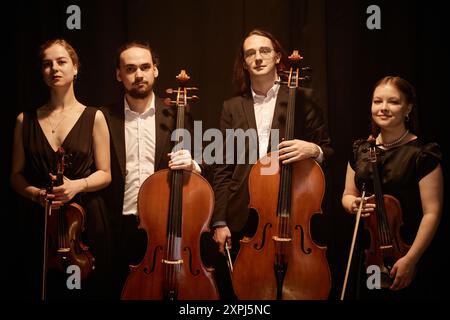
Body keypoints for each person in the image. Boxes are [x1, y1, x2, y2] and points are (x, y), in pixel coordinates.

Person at [211, 29, 333, 299]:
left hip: (293, 207)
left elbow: (328, 150)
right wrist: (219, 220)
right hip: (244, 212)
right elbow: (222, 167)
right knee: (248, 293)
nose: (257, 57)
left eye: (264, 50)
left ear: (278, 56)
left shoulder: (304, 97)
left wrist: (312, 149)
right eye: (250, 53)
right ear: (244, 62)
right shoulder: (231, 107)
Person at [10, 39, 113, 299]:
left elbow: (105, 174)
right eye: (47, 64)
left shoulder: (94, 117)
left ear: (75, 68)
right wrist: (36, 194)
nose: (54, 68)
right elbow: (15, 175)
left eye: (61, 61)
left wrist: (77, 185)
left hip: (85, 220)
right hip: (42, 222)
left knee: (88, 291)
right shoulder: (25, 120)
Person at [100, 41, 202, 298]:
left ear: (155, 70)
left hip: (163, 225)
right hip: (119, 227)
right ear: (118, 74)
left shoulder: (178, 113)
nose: (139, 75)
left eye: (145, 67)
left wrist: (192, 164)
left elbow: (204, 161)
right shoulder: (104, 117)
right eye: (130, 68)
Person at [341, 76, 444, 299]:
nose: (383, 108)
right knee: (374, 294)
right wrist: (353, 205)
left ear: (408, 108)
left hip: (409, 252)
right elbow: (348, 194)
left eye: (393, 102)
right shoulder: (360, 150)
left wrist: (410, 259)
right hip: (372, 254)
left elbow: (432, 213)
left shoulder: (422, 154)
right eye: (378, 101)